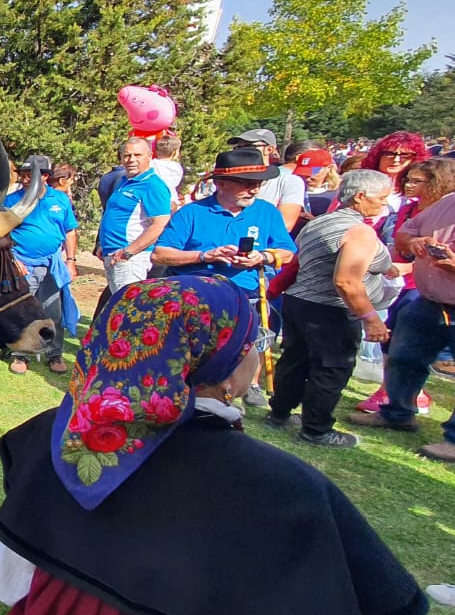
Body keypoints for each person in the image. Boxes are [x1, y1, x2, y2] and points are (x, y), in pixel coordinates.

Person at [0, 275, 426, 615]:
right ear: (224, 366)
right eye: (251, 342)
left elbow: (12, 580)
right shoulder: (286, 493)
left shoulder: (50, 437)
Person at [152, 147, 297, 406]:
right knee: (189, 351)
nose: (254, 189)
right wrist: (204, 256)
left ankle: (245, 386)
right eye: (246, 183)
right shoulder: (192, 213)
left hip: (245, 296)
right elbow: (160, 254)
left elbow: (287, 252)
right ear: (220, 183)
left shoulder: (266, 212)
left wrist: (262, 257)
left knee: (246, 346)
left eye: (258, 183)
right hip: (197, 296)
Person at [268, 170, 400, 447]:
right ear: (361, 197)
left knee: (295, 359)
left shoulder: (321, 222)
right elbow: (346, 281)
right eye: (382, 198)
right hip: (330, 308)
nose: (384, 205)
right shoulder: (359, 231)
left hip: (300, 300)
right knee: (331, 368)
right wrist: (371, 318)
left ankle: (279, 412)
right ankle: (316, 429)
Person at [348, 184, 455, 461]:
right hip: (429, 301)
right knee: (403, 357)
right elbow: (406, 231)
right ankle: (397, 413)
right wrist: (415, 243)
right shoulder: (448, 202)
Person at [5, 157, 79, 375]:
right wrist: (13, 260)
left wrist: (71, 261)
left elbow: (69, 231)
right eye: (23, 175)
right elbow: (0, 235)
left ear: (45, 177)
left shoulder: (60, 200)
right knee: (24, 311)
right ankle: (21, 355)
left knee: (52, 311)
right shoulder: (10, 201)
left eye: (31, 175)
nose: (25, 180)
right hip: (22, 263)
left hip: (53, 263)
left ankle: (54, 353)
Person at [96, 137, 172, 296]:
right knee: (118, 306)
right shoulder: (124, 181)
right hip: (114, 256)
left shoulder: (152, 185)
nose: (131, 160)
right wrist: (103, 245)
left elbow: (160, 224)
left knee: (127, 309)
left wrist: (128, 252)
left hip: (131, 260)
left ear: (150, 156)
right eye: (127, 155)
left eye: (137, 155)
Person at [232, 129, 305, 233]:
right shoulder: (226, 179)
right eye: (237, 148)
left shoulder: (290, 181)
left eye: (249, 147)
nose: (242, 152)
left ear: (269, 149)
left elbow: (285, 225)